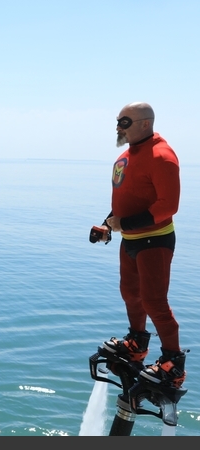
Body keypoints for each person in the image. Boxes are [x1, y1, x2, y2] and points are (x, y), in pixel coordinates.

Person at [96, 102, 186, 388]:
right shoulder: (127, 156)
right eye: (118, 121)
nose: (118, 127)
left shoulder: (162, 155)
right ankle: (137, 342)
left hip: (155, 240)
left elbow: (168, 206)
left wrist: (126, 224)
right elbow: (125, 200)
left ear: (145, 124)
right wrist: (108, 224)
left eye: (124, 122)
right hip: (131, 240)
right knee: (130, 293)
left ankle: (172, 365)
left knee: (154, 301)